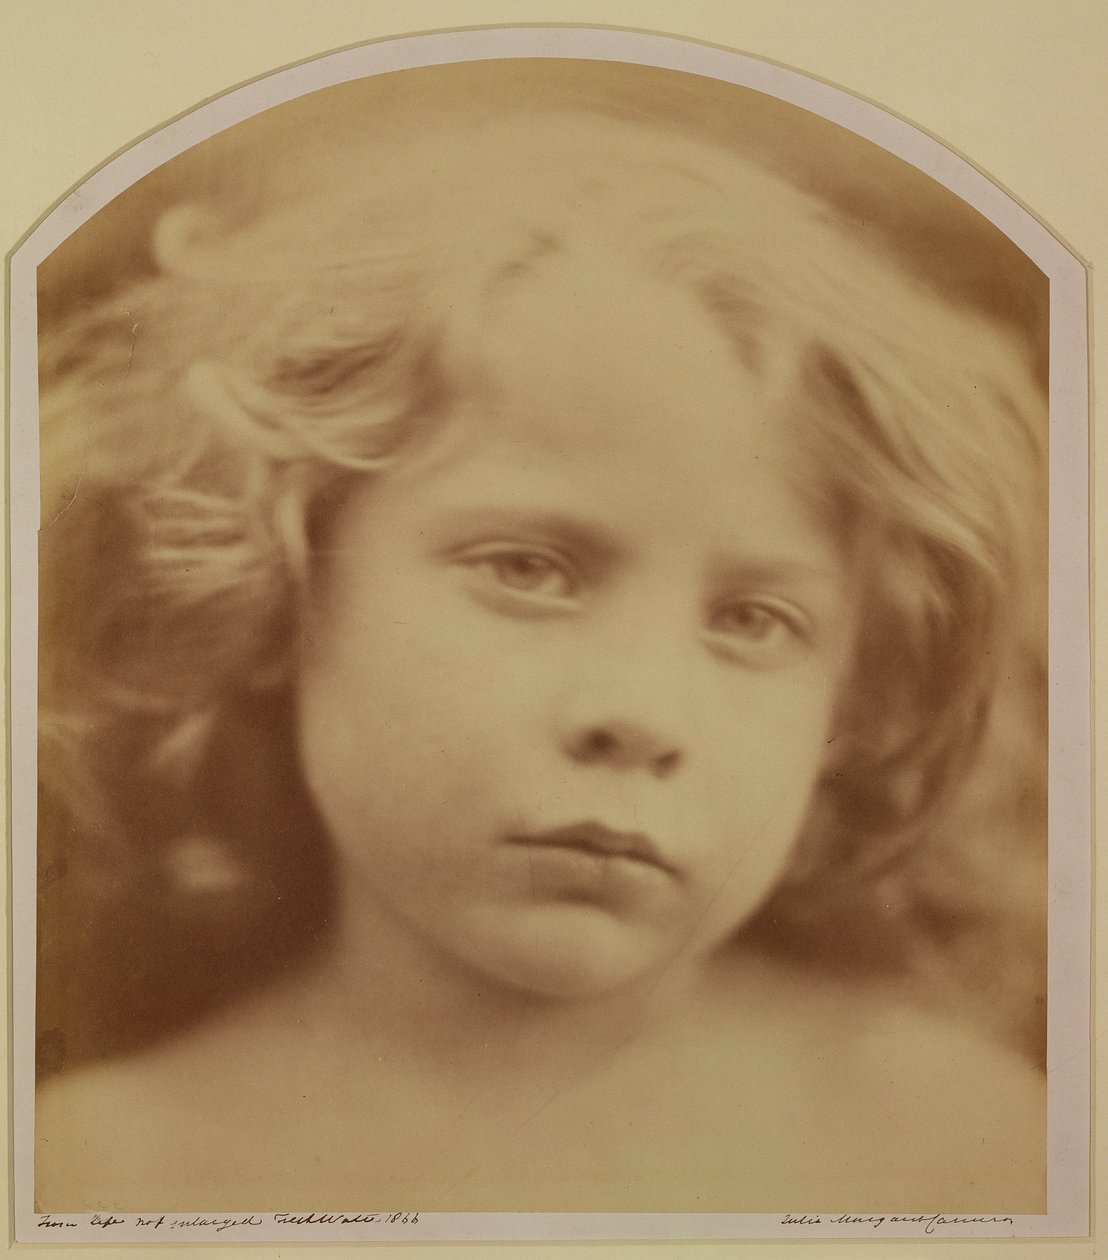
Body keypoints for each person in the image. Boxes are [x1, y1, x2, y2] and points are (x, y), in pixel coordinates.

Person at [34, 86, 1047, 1214]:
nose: (641, 712)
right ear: (283, 582)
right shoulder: (102, 1172)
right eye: (527, 569)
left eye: (754, 621)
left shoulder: (950, 1143)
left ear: (845, 708)